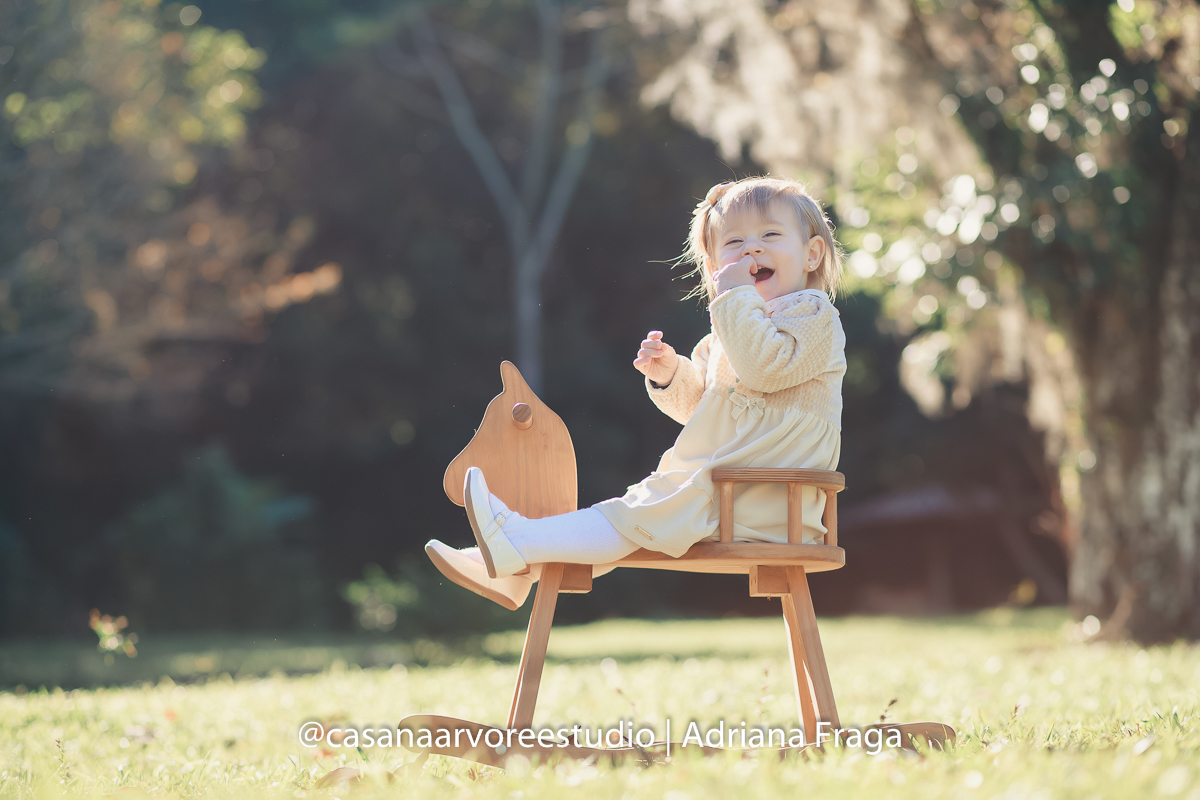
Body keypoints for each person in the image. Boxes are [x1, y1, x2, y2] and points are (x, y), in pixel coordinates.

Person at [425, 176, 847, 610]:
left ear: (811, 254)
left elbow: (765, 370)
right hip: (727, 488)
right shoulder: (729, 330)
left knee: (633, 516)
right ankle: (515, 567)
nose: (751, 250)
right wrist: (671, 375)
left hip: (772, 497)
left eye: (770, 235)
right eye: (734, 242)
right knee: (633, 514)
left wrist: (736, 295)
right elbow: (704, 412)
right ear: (714, 267)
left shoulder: (813, 316)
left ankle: (517, 541)